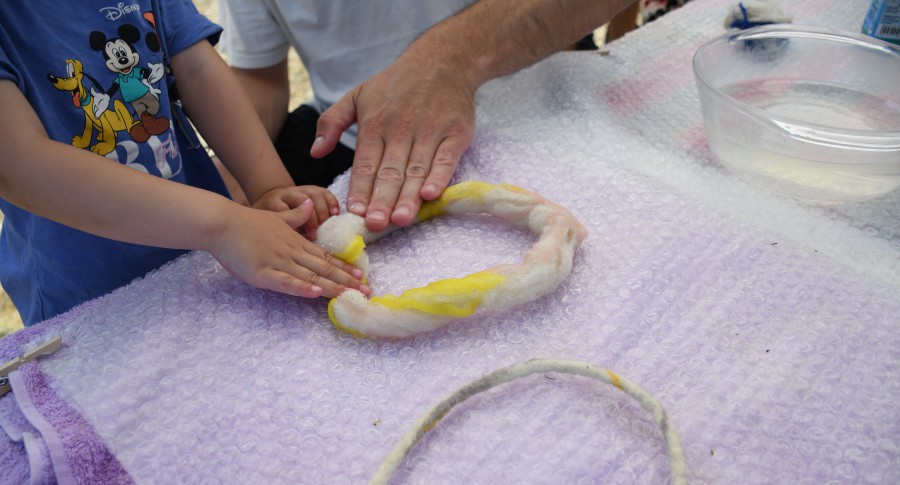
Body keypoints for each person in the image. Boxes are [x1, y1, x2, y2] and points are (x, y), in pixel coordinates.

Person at [0, 0, 370, 327]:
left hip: (204, 265)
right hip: (85, 293)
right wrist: (225, 225)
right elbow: (18, 163)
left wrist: (269, 186)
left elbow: (196, 69)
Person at [218, 0, 637, 232]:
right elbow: (261, 79)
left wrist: (452, 60)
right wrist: (234, 162)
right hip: (350, 136)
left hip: (538, 100)